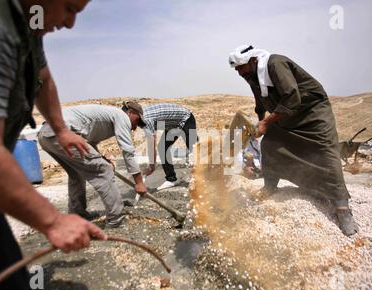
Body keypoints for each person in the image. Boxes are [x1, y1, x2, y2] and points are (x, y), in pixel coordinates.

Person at [0, 0, 106, 290]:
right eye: (69, 8)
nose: (70, 24)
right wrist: (52, 222)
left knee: (7, 281)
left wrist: (62, 129)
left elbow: (43, 77)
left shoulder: (30, 26)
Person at [229, 44, 358, 236]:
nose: (239, 72)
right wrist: (261, 123)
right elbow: (260, 101)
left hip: (312, 112)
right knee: (270, 144)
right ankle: (270, 186)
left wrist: (267, 122)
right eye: (236, 69)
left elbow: (292, 97)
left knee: (324, 151)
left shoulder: (275, 64)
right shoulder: (253, 76)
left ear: (253, 61)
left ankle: (342, 208)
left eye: (241, 67)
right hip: (286, 115)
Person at [38, 102, 148, 228]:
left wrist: (102, 158)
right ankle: (116, 220)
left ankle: (77, 214)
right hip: (61, 133)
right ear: (131, 112)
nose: (135, 128)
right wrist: (139, 182)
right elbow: (128, 151)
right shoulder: (121, 116)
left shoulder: (107, 116)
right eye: (137, 121)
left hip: (47, 135)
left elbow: (90, 143)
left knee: (77, 174)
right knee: (104, 170)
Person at [142, 103, 198, 191]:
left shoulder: (146, 119)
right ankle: (171, 179)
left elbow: (151, 142)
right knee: (162, 147)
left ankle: (204, 177)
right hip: (172, 124)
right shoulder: (142, 116)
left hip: (186, 118)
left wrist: (151, 166)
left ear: (131, 113)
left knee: (195, 149)